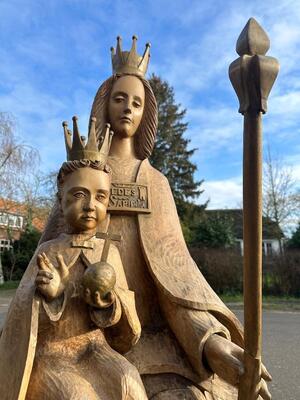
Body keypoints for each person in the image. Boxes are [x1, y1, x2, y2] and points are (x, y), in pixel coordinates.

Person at [40, 37, 272, 399]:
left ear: (147, 112)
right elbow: (47, 261)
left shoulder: (156, 185)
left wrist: (210, 342)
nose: (128, 109)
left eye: (137, 102)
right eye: (119, 99)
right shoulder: (81, 179)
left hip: (155, 349)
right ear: (103, 104)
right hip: (79, 341)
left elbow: (177, 279)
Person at [0, 120, 148, 400]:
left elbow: (127, 322)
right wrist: (52, 296)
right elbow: (21, 319)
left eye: (100, 196)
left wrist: (106, 301)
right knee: (74, 395)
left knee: (129, 383)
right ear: (61, 198)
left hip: (95, 348)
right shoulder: (48, 252)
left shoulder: (109, 252)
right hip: (54, 353)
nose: (91, 205)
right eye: (79, 194)